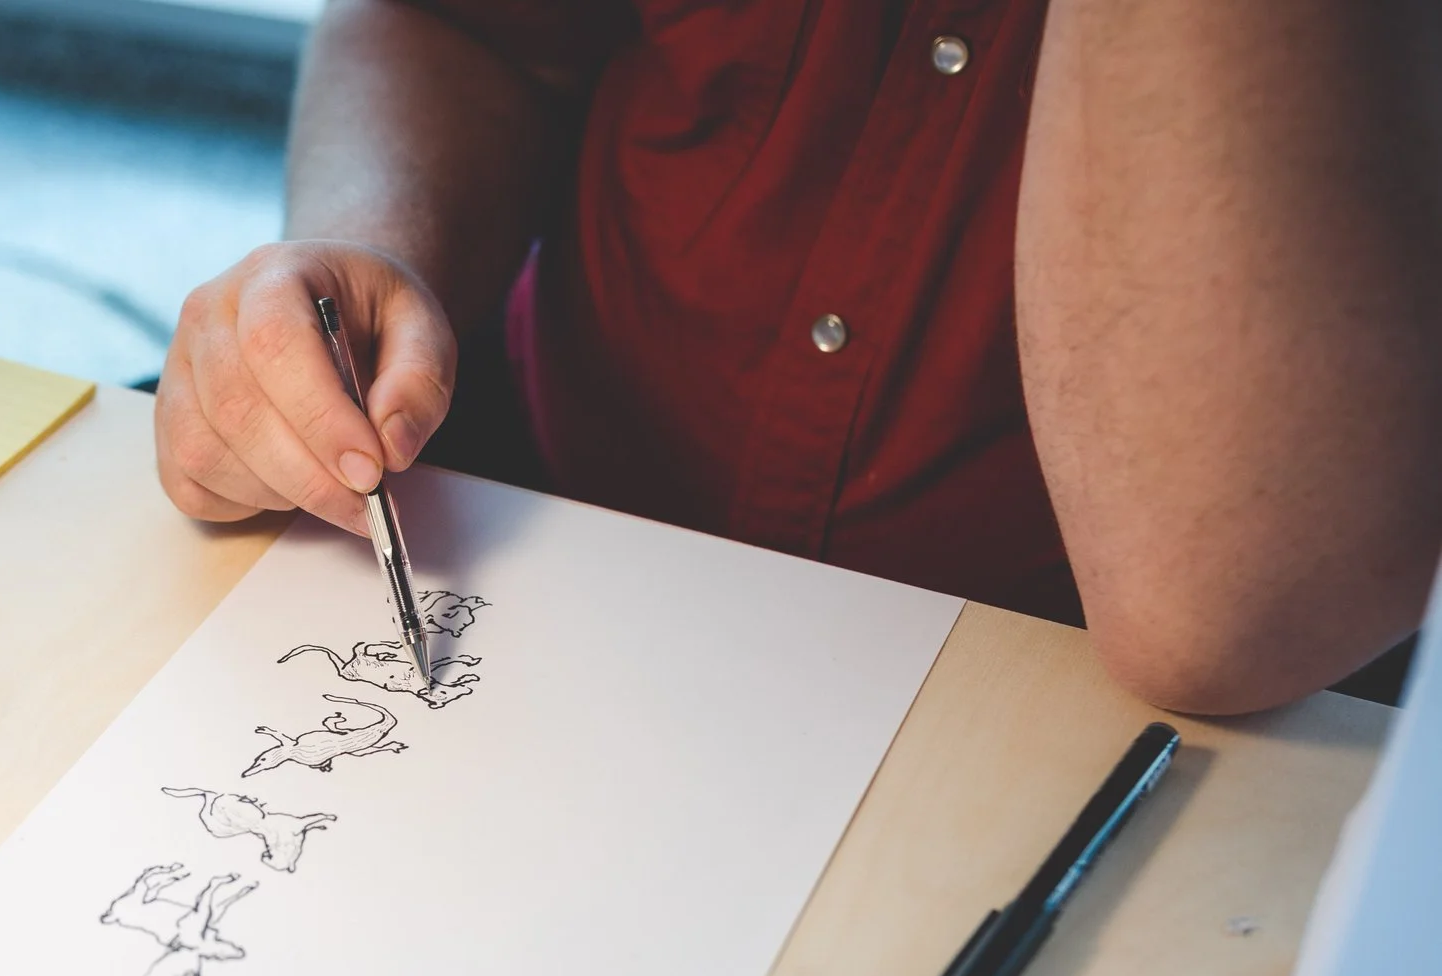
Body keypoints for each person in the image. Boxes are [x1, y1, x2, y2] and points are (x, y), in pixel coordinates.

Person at [154, 0, 1442, 715]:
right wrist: (370, 255)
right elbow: (478, 27)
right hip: (542, 523)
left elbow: (1228, 608)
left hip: (1060, 709)